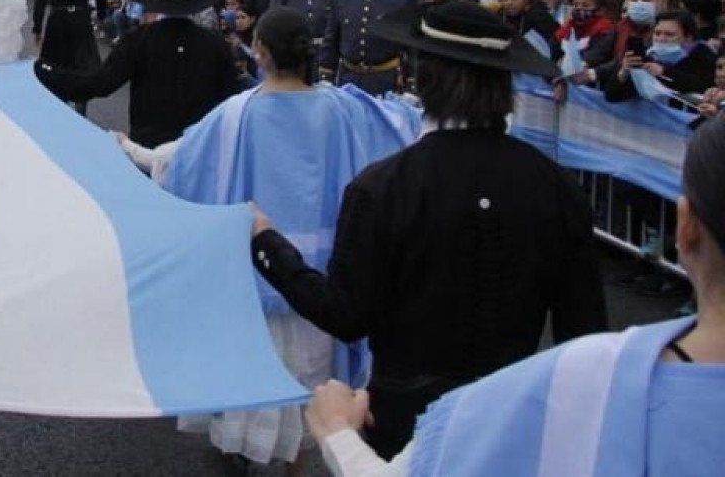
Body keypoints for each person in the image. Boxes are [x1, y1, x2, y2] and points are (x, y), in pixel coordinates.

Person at [252, 0, 608, 458]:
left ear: (424, 77)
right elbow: (583, 334)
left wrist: (267, 243)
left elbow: (345, 313)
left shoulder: (384, 186)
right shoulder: (555, 186)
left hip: (404, 423)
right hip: (508, 419)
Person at [307, 115, 725, 477]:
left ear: (685, 229)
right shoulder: (554, 184)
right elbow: (580, 320)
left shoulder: (587, 383)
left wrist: (338, 433)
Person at [119, 8, 420, 474]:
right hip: (321, 274)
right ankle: (300, 460)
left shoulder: (238, 113)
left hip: (253, 266)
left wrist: (127, 150)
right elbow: (397, 127)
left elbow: (180, 161)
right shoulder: (342, 108)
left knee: (254, 364)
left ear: (258, 51)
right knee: (312, 372)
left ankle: (240, 447)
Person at [38, 0, 242, 146]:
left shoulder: (139, 39)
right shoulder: (214, 43)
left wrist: (46, 70)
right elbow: (231, 98)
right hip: (197, 144)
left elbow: (100, 84)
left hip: (148, 144)